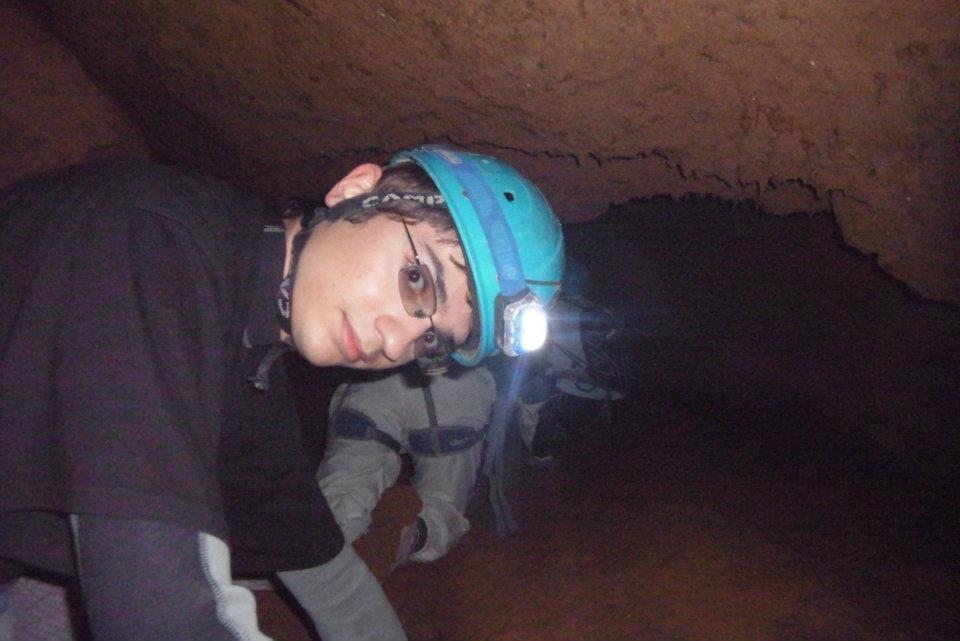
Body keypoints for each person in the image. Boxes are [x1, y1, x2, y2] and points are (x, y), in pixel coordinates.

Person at [0, 146, 564, 640]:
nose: (397, 342)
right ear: (356, 190)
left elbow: (325, 571)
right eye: (416, 280)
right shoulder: (151, 241)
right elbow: (163, 612)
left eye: (431, 338)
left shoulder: (250, 353)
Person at [318, 362, 496, 574]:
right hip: (452, 385)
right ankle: (409, 534)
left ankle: (329, 552)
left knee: (343, 496)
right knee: (442, 503)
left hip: (374, 381)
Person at [517, 294, 633, 465]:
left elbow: (534, 361)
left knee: (530, 389)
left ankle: (540, 455)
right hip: (613, 395)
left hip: (573, 399)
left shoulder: (540, 312)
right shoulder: (593, 309)